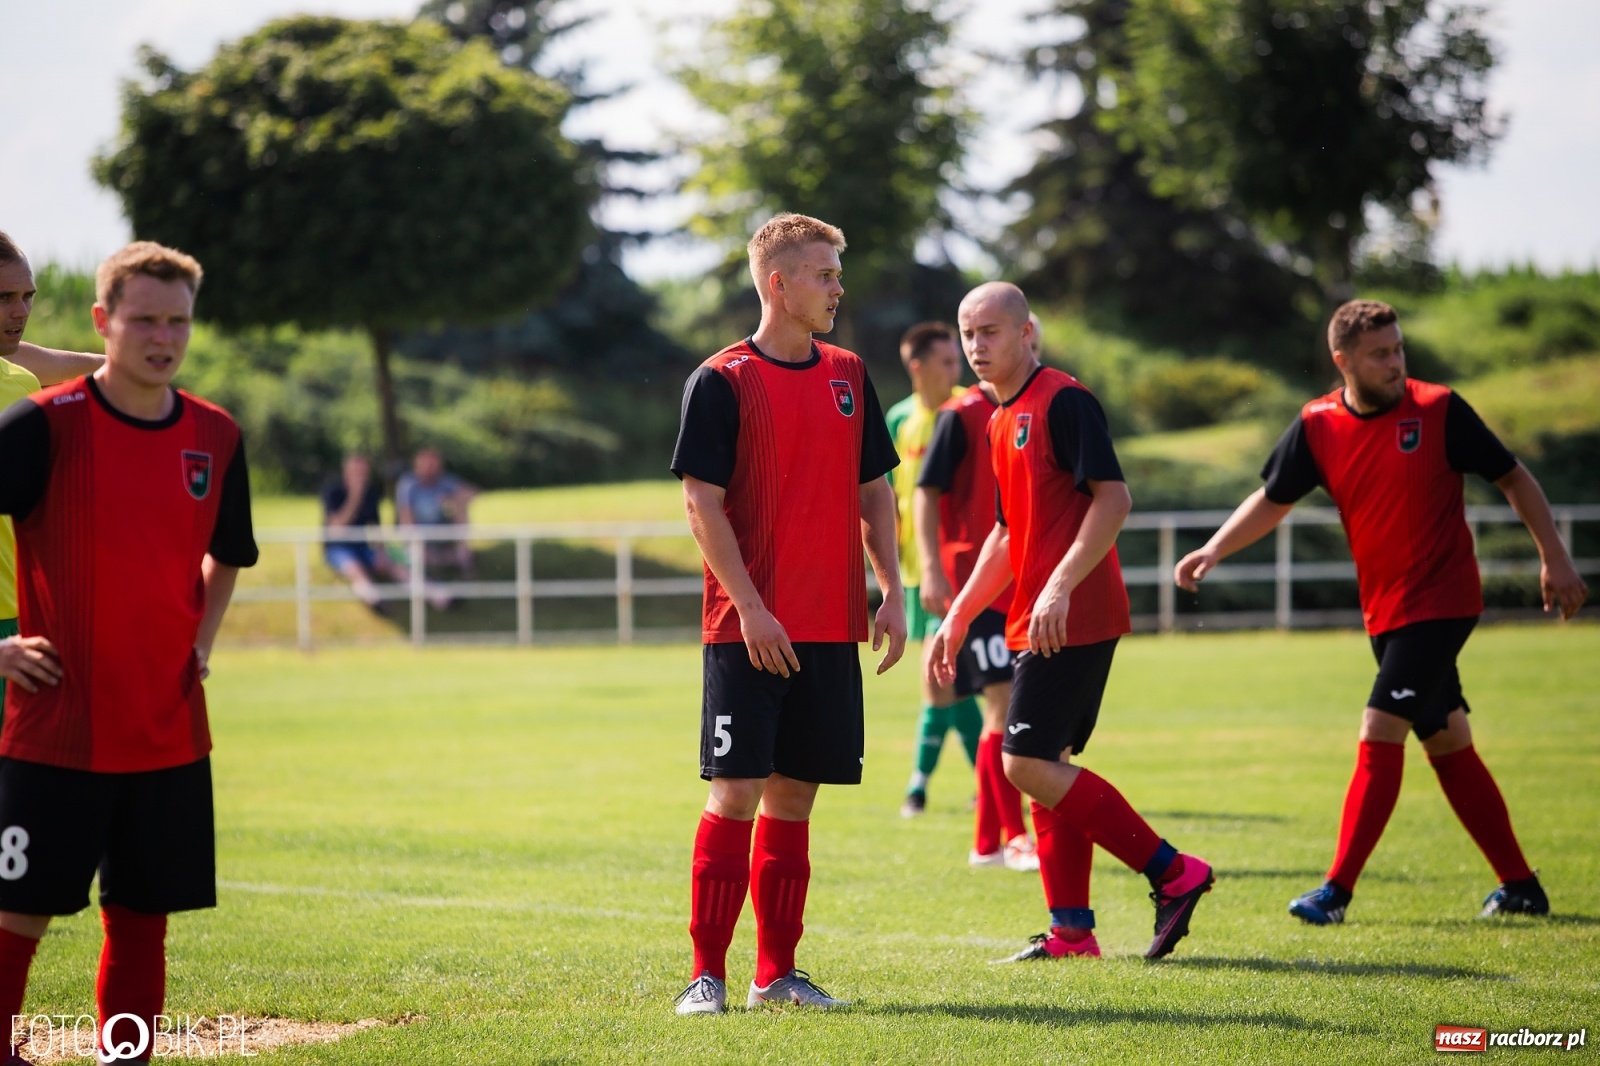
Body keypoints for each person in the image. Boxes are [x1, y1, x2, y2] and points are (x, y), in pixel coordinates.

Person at [1175, 299, 1587, 925]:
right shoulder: (1316, 424)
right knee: (1447, 742)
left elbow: (1514, 477)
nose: (1396, 363)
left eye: (1398, 350)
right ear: (1343, 361)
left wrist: (1554, 558)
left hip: (1442, 601)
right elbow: (1273, 498)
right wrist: (1213, 548)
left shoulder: (1439, 409)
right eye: (1380, 354)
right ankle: (1521, 886)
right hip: (1387, 611)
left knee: (1378, 729)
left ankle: (1335, 892)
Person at [0, 241, 258, 1065]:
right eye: (144, 318)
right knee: (17, 920)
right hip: (56, 726)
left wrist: (201, 640)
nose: (162, 337)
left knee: (144, 921)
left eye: (176, 320)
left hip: (168, 731)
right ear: (103, 321)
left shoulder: (215, 435)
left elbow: (230, 554)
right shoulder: (41, 425)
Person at [928, 282, 1213, 963]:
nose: (977, 347)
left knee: (1022, 761)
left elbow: (1113, 501)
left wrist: (1057, 586)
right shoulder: (997, 418)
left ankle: (1174, 872)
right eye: (969, 334)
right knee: (1044, 764)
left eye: (991, 332)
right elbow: (1004, 532)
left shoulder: (1064, 400)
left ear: (1028, 334)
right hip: (1033, 616)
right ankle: (1072, 934)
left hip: (1074, 614)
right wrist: (961, 614)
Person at [669, 213, 905, 1014]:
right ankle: (707, 976)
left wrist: (893, 589)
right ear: (780, 282)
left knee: (795, 799)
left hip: (831, 626)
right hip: (749, 630)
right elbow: (701, 505)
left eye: (838, 275)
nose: (839, 288)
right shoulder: (721, 380)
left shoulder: (848, 371)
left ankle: (778, 974)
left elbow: (876, 490)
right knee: (735, 791)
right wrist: (751, 609)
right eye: (826, 275)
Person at [916, 346, 1036, 872]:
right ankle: (1013, 836)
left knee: (1003, 709)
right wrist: (931, 568)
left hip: (1019, 583)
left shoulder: (1031, 407)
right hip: (976, 583)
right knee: (1003, 706)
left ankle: (988, 841)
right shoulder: (960, 415)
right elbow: (925, 493)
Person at [0, 232, 105, 713]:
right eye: (3, 297)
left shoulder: (17, 375)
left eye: (27, 296)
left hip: (25, 619)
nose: (20, 311)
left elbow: (80, 367)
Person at [885, 322, 982, 819]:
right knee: (946, 679)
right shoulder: (899, 419)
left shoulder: (970, 410)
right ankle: (980, 784)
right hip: (917, 573)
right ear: (917, 367)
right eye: (947, 361)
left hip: (963, 570)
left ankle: (920, 786)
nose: (957, 370)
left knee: (947, 680)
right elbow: (887, 501)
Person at [321, 453, 410, 611]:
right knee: (355, 569)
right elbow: (336, 530)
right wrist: (355, 497)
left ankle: (432, 593)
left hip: (363, 546)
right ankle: (374, 600)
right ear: (346, 472)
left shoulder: (371, 493)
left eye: (363, 473)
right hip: (337, 548)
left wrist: (382, 550)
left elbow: (376, 527)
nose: (360, 477)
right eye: (356, 472)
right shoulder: (332, 490)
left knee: (393, 565)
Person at [396, 446, 477, 577]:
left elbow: (473, 493)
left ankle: (463, 554)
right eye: (426, 464)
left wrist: (452, 500)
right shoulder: (408, 484)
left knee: (460, 506)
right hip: (419, 537)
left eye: (433, 464)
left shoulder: (445, 482)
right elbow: (406, 516)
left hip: (443, 536)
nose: (430, 468)